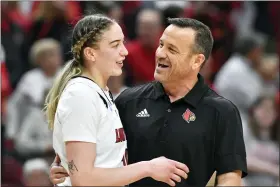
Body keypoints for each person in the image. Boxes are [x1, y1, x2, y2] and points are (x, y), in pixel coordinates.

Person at [50, 17, 247, 186]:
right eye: (161, 44)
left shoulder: (222, 111)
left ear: (197, 61)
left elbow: (230, 176)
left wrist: (74, 169)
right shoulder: (128, 100)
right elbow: (100, 150)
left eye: (172, 49)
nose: (160, 53)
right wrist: (67, 164)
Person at [44, 14, 189, 186]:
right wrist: (148, 168)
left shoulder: (99, 92)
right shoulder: (81, 95)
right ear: (90, 53)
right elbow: (82, 179)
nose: (125, 51)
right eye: (115, 45)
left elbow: (79, 160)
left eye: (123, 42)